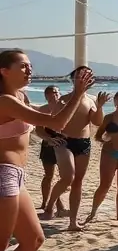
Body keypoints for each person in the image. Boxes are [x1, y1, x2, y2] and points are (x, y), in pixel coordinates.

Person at [0, 50, 93, 251]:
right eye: (23, 66)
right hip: (3, 174)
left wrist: (68, 98)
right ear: (4, 71)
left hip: (17, 176)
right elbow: (57, 123)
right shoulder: (4, 100)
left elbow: (44, 119)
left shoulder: (20, 98)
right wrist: (77, 92)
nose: (30, 70)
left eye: (30, 65)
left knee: (33, 240)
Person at [43, 66, 110, 232]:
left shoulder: (92, 100)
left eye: (88, 76)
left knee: (77, 182)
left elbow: (97, 122)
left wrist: (100, 107)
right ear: (73, 79)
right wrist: (49, 138)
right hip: (64, 142)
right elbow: (50, 123)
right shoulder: (64, 100)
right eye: (81, 76)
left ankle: (73, 221)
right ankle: (50, 205)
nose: (85, 79)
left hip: (83, 143)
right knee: (68, 177)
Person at [83, 91, 118, 223]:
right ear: (115, 102)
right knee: (105, 185)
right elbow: (98, 136)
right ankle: (93, 213)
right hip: (110, 153)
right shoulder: (109, 118)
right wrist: (105, 140)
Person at [35, 85, 72, 217]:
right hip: (49, 145)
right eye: (50, 93)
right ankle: (47, 203)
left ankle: (57, 206)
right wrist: (48, 139)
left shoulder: (65, 108)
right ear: (46, 96)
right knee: (49, 175)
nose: (54, 95)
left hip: (64, 145)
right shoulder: (43, 110)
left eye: (56, 92)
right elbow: (38, 130)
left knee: (65, 178)